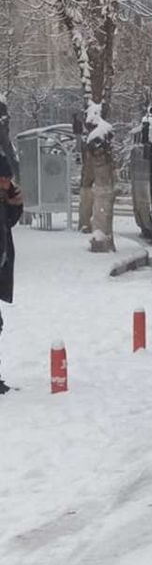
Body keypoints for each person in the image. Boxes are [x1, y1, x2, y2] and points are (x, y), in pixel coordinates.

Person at [0, 154, 24, 394]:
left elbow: (7, 224)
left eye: (8, 179)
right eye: (3, 178)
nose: (7, 183)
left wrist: (14, 205)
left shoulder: (4, 196)